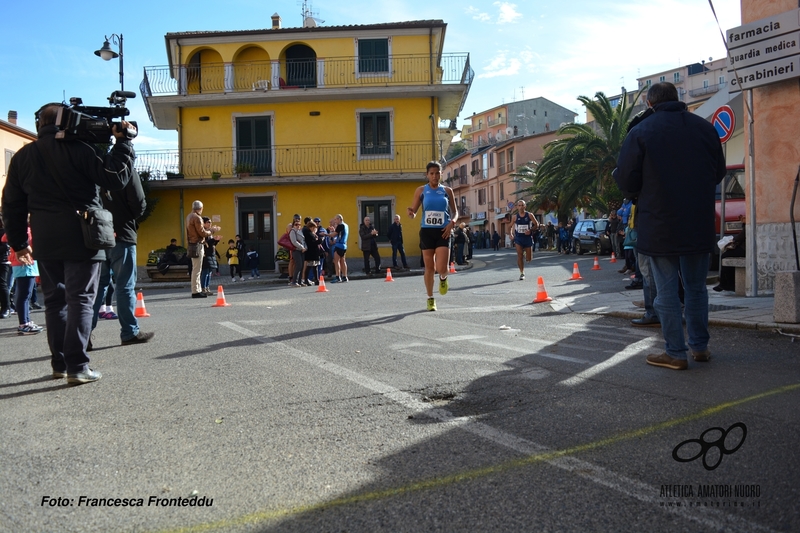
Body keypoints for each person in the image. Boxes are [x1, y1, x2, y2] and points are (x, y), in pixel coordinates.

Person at [2, 102, 135, 384]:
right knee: (82, 300)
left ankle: (60, 363)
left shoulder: (24, 156)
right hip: (83, 235)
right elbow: (115, 178)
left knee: (55, 301)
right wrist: (123, 143)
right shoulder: (81, 150)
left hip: (45, 237)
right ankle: (78, 366)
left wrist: (18, 242)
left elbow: (11, 204)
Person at [614, 81, 726, 371]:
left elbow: (626, 181)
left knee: (665, 291)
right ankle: (700, 347)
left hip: (659, 224)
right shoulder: (705, 129)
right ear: (677, 99)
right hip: (699, 222)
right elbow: (718, 173)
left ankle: (675, 352)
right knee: (696, 289)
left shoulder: (641, 132)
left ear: (650, 104)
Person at [91, 169, 154, 346]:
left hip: (98, 235)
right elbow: (139, 203)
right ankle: (129, 332)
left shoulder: (97, 169)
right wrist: (125, 217)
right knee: (124, 285)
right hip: (122, 234)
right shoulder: (126, 170)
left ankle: (84, 333)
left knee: (97, 285)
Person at [407, 161, 458, 311]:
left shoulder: (447, 191)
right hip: (427, 231)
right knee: (429, 268)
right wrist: (411, 214)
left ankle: (443, 278)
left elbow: (455, 212)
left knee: (442, 268)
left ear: (441, 174)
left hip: (444, 231)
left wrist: (452, 222)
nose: (435, 176)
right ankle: (430, 298)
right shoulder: (421, 190)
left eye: (437, 173)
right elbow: (414, 211)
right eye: (432, 173)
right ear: (427, 175)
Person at [3, 226, 43, 335]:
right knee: (24, 294)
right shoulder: (23, 229)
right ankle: (24, 323)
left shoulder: (24, 228)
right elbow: (5, 237)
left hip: (27, 262)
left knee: (26, 294)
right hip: (24, 262)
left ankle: (26, 321)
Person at [186, 201, 219, 298]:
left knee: (196, 269)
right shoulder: (197, 218)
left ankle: (197, 289)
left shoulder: (189, 216)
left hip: (192, 244)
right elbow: (202, 233)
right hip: (197, 244)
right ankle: (196, 291)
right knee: (197, 269)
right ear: (201, 208)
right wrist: (212, 230)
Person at [510, 200, 539, 280]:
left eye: (522, 205)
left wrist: (530, 230)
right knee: (519, 255)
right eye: (519, 205)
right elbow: (510, 226)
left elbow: (537, 224)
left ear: (525, 206)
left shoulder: (530, 215)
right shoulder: (515, 217)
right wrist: (511, 234)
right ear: (517, 207)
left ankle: (527, 255)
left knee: (529, 259)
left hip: (527, 238)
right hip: (518, 238)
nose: (520, 207)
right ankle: (522, 273)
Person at [201, 217, 221, 294]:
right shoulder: (203, 232)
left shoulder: (210, 233)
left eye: (210, 222)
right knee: (205, 272)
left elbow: (212, 244)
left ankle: (207, 287)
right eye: (208, 222)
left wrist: (216, 240)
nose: (210, 224)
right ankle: (203, 288)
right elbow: (206, 243)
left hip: (211, 253)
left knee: (209, 272)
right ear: (204, 223)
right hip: (206, 254)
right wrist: (213, 240)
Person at [330, 214, 349, 283]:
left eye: (335, 219)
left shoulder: (340, 225)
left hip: (339, 245)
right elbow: (341, 233)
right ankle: (345, 276)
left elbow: (333, 235)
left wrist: (325, 234)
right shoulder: (346, 225)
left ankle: (338, 276)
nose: (335, 221)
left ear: (339, 219)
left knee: (336, 261)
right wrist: (334, 230)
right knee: (343, 261)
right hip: (344, 245)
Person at [288, 220, 307, 287]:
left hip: (302, 250)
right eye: (296, 224)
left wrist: (305, 248)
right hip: (296, 250)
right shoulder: (292, 231)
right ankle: (294, 281)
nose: (298, 225)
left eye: (299, 224)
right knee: (298, 265)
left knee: (301, 266)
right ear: (293, 225)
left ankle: (299, 281)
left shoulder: (300, 231)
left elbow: (303, 240)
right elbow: (294, 241)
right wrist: (302, 247)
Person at [0, 215, 12, 319]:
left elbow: (5, 247)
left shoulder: (3, 232)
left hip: (3, 261)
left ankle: (6, 308)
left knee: (2, 284)